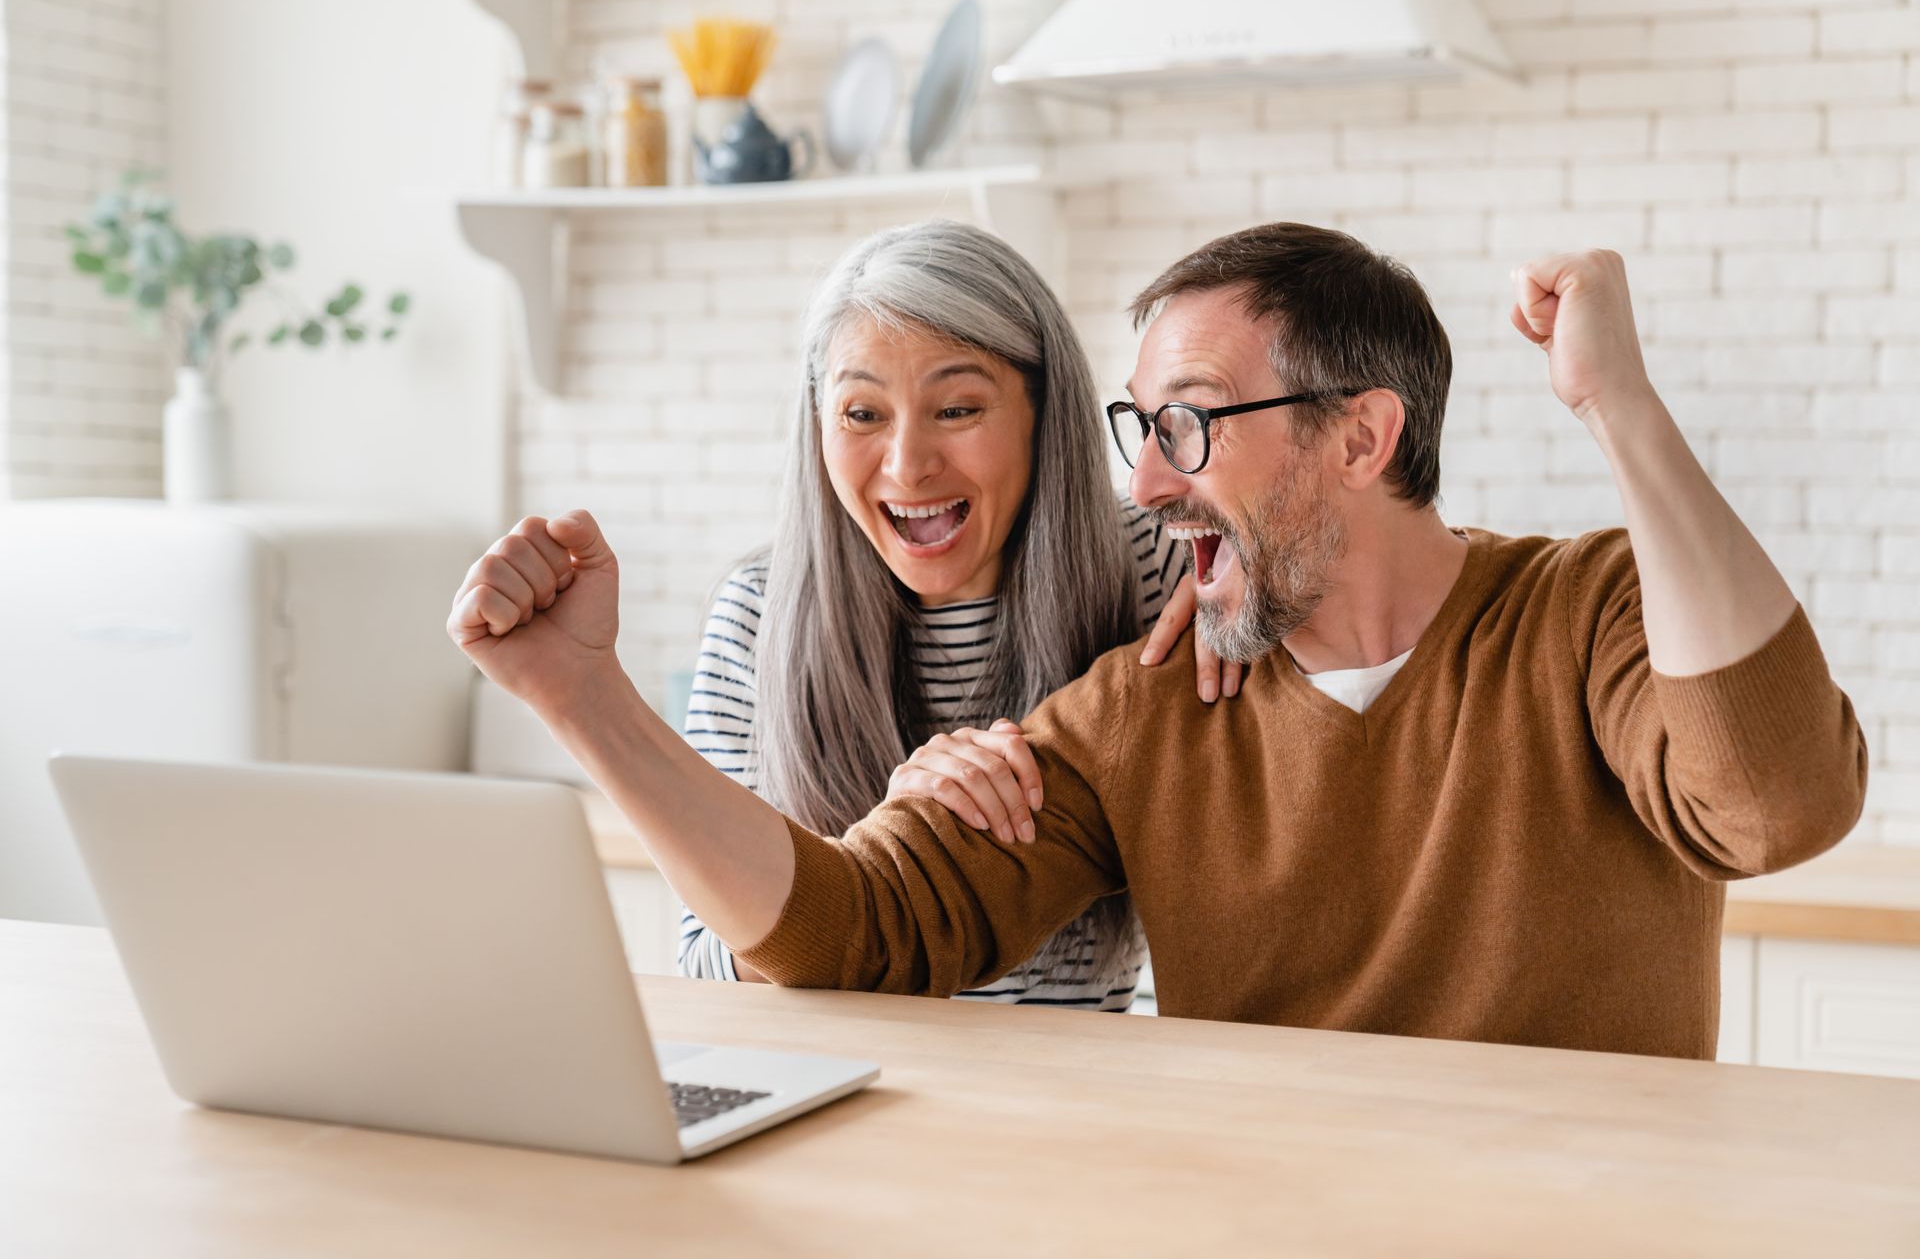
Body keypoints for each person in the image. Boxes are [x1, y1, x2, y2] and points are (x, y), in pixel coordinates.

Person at [450, 223, 1867, 1060]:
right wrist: (583, 697)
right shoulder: (1148, 707)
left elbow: (1775, 804)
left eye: (1187, 423)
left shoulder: (1589, 615)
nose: (1141, 484)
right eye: (1140, 429)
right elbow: (844, 933)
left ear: (1362, 435)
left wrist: (1619, 407)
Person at [464, 220, 1231, 1014]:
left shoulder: (1153, 568)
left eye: (958, 407)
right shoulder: (758, 617)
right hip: (837, 1086)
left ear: (1045, 411)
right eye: (862, 414)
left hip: (1068, 1095)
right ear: (818, 422)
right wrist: (891, 840)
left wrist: (1243, 583)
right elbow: (709, 972)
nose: (908, 463)